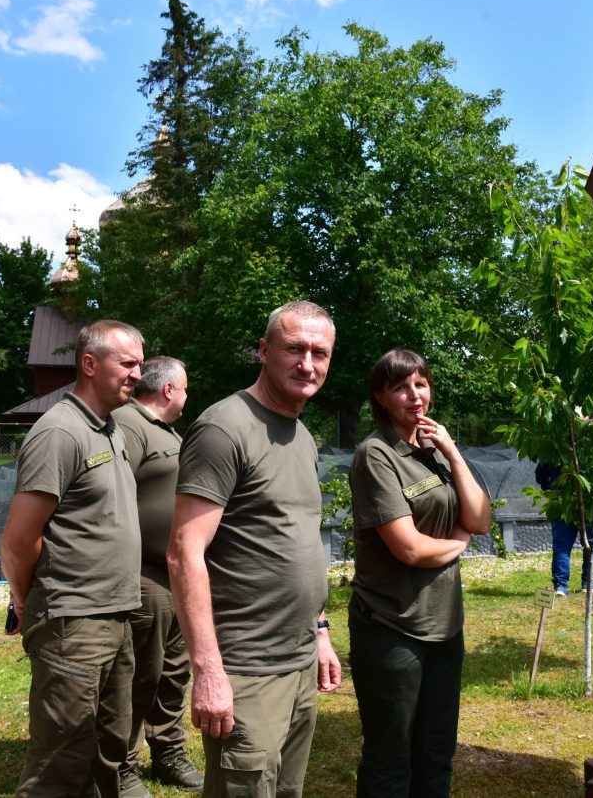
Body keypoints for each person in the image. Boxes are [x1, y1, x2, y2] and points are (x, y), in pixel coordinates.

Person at [167, 301, 341, 798]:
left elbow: (300, 540)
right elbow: (184, 552)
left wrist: (321, 631)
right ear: (264, 351)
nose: (308, 364)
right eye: (294, 349)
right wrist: (208, 672)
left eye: (319, 353)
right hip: (246, 667)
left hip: (299, 658)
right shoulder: (225, 429)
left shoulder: (303, 435)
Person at [1, 319, 144, 797]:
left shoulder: (110, 429)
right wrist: (26, 599)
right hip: (73, 620)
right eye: (126, 363)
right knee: (60, 762)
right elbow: (20, 540)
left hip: (116, 614)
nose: (137, 374)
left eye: (140, 365)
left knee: (109, 747)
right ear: (89, 363)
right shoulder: (59, 432)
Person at [348, 348, 492, 798]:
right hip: (392, 628)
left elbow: (482, 518)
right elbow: (409, 548)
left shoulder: (432, 448)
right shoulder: (376, 456)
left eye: (421, 384)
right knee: (391, 760)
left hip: (444, 626)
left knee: (435, 753)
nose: (415, 396)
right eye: (401, 387)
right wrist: (459, 543)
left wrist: (451, 449)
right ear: (381, 396)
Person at [113, 356, 203, 797]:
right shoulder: (127, 424)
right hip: (143, 575)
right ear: (169, 389)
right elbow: (110, 497)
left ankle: (168, 753)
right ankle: (121, 766)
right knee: (139, 676)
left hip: (177, 572)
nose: (187, 395)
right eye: (185, 388)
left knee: (173, 672)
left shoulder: (166, 433)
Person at [536, 462, 593, 597]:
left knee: (562, 546)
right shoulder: (589, 447)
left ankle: (560, 586)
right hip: (588, 499)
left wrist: (549, 488)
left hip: (561, 499)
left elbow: (540, 475)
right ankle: (588, 583)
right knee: (592, 542)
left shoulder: (553, 446)